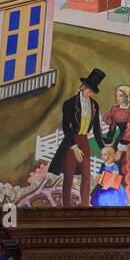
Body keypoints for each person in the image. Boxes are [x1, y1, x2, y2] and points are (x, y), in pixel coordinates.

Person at [47, 68, 106, 208]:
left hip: (84, 140)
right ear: (82, 87)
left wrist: (103, 147)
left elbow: (97, 129)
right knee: (69, 175)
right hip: (71, 140)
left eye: (92, 91)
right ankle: (66, 208)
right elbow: (65, 126)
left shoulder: (94, 105)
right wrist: (74, 147)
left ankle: (85, 205)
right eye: (88, 90)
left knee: (86, 175)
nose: (90, 93)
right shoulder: (70, 103)